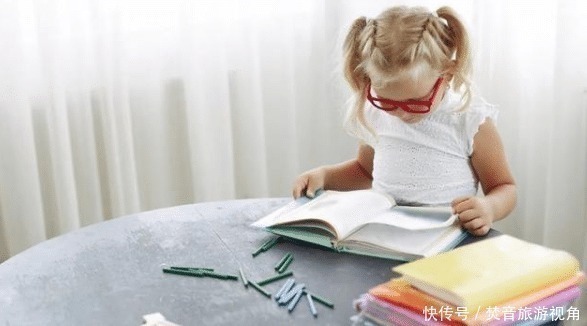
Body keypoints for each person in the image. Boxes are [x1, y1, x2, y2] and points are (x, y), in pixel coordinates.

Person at [292, 6, 516, 236]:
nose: (401, 113)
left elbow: (504, 187)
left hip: (446, 241)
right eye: (387, 101)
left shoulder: (469, 120)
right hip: (385, 236)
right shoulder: (375, 114)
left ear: (447, 75)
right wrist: (325, 176)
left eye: (416, 102)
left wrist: (489, 207)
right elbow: (364, 170)